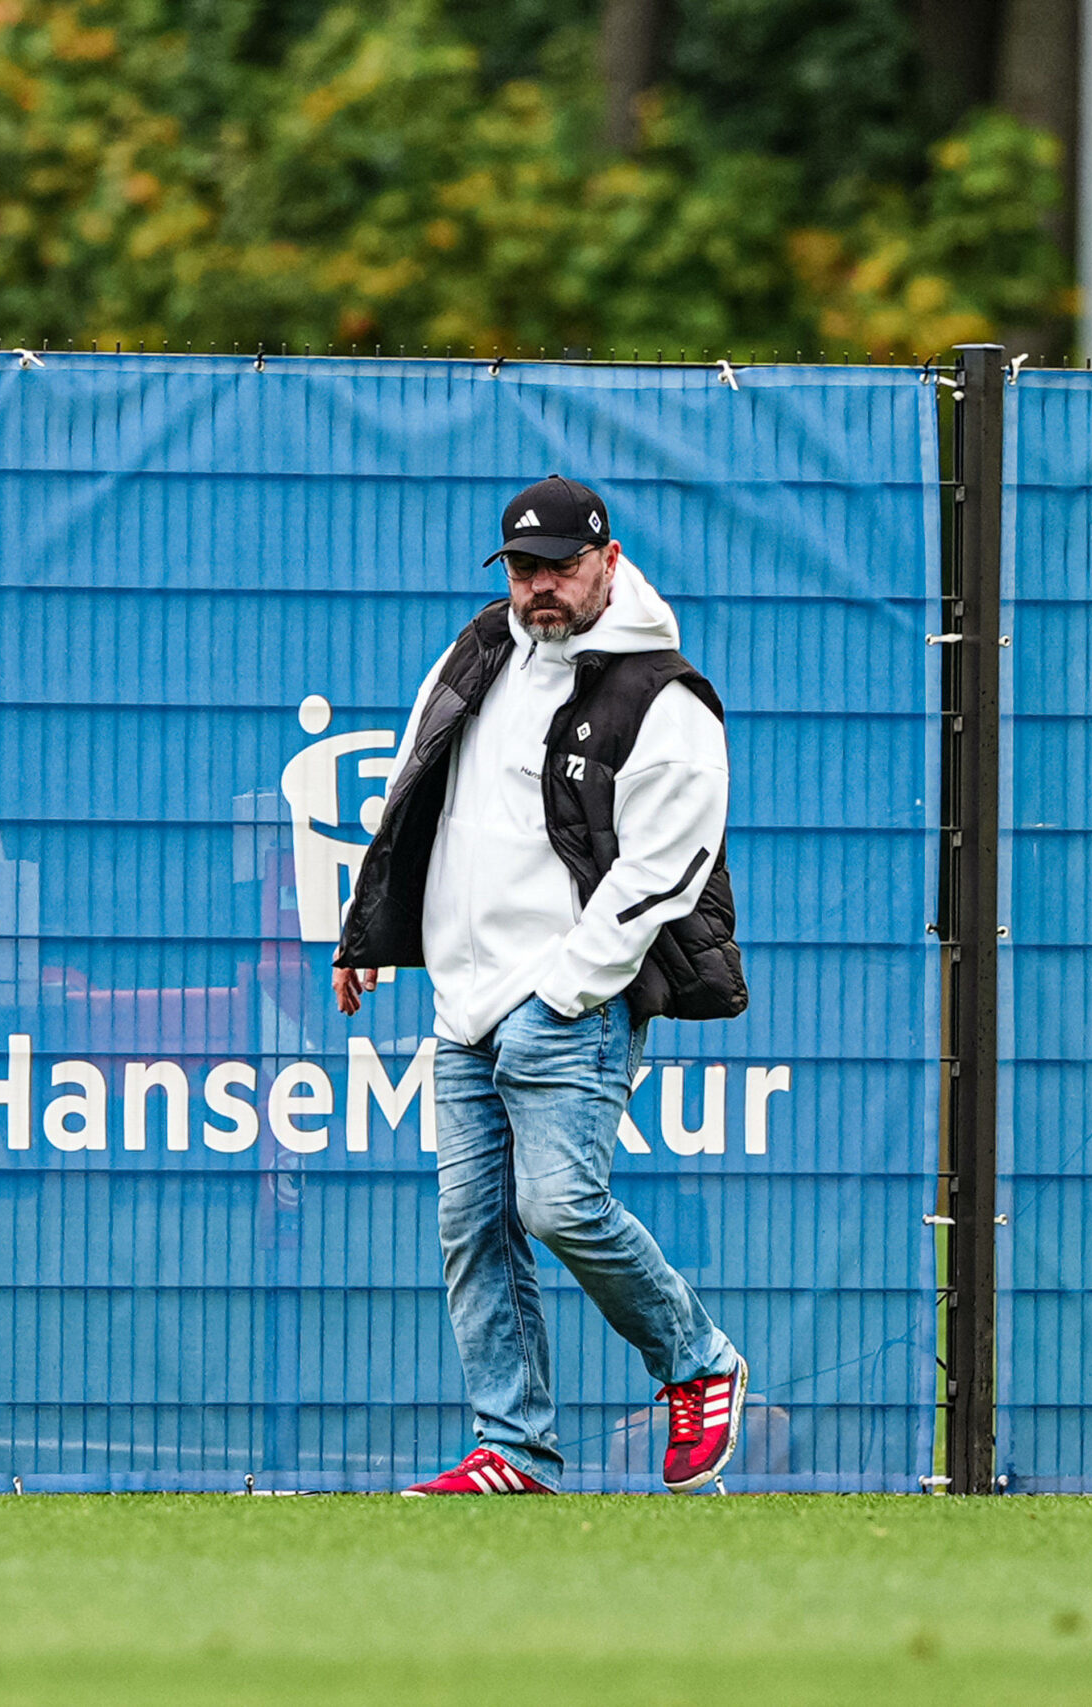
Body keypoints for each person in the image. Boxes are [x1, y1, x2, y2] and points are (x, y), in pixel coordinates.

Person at [334, 474, 750, 1495]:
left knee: (561, 1206)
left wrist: (567, 985)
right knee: (473, 1233)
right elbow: (415, 779)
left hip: (569, 1002)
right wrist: (370, 927)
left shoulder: (662, 693)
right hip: (464, 1002)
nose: (540, 588)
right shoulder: (481, 646)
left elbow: (668, 867)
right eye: (523, 568)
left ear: (607, 560)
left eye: (561, 566)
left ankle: (698, 1363)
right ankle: (511, 1449)